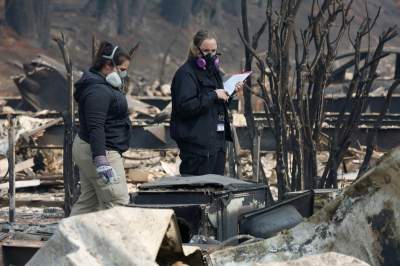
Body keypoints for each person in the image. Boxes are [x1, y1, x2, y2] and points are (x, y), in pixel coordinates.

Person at [70, 41, 132, 215]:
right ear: (107, 65)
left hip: (92, 148)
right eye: (121, 69)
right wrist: (101, 160)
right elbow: (96, 126)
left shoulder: (103, 85)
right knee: (117, 202)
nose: (124, 73)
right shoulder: (98, 90)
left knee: (89, 204)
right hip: (101, 150)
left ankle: (69, 238)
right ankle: (117, 242)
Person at [170, 30, 242, 176]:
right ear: (196, 50)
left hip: (217, 145)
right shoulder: (185, 74)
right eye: (206, 51)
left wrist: (230, 93)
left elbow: (217, 104)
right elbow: (185, 107)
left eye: (214, 51)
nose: (211, 55)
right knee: (198, 194)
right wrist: (213, 95)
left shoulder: (213, 72)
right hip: (197, 149)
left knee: (216, 191)